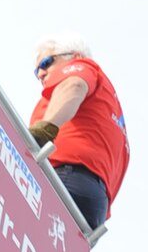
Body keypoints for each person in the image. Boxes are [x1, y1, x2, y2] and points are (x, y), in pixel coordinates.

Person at [28, 33, 129, 229]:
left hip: (67, 179)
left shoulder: (84, 68)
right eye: (37, 70)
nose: (40, 73)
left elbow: (74, 85)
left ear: (74, 57)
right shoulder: (110, 114)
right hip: (93, 207)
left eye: (47, 62)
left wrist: (43, 130)